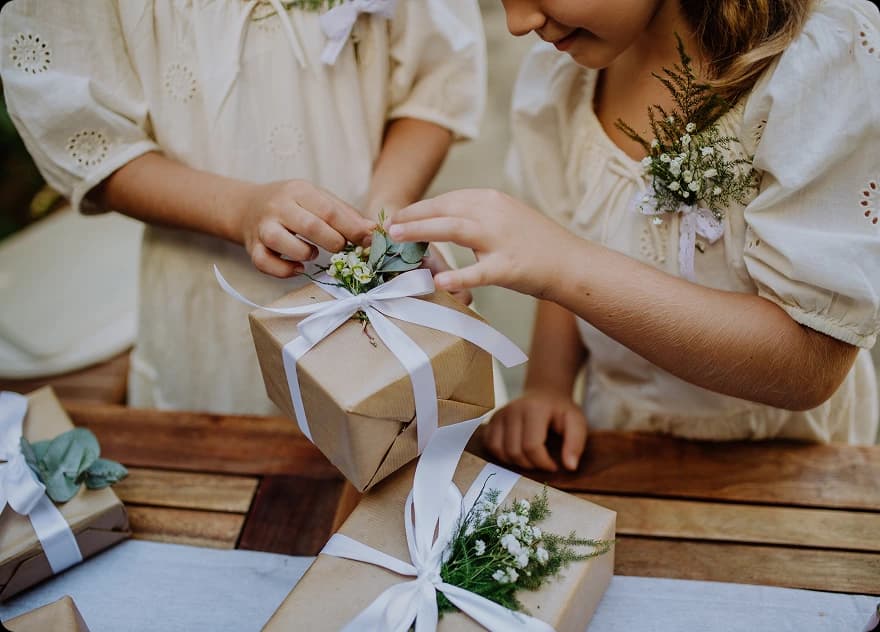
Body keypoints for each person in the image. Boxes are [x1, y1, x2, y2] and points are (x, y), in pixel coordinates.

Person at [388, 0, 880, 471]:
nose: (517, 22)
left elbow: (807, 366)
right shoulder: (564, 78)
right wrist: (548, 387)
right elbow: (560, 254)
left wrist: (565, 263)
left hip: (789, 464)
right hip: (620, 444)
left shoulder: (814, 65)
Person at [0, 0, 486, 414]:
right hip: (213, 311)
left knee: (399, 438)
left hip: (385, 292)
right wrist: (239, 209)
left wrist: (388, 213)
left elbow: (435, 81)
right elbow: (87, 138)